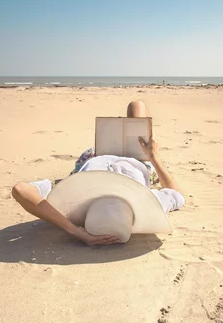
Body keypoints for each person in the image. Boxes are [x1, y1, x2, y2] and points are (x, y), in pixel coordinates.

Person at [11, 100, 184, 246]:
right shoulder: (154, 202)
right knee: (136, 105)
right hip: (138, 159)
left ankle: (127, 129)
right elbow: (174, 192)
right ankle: (135, 129)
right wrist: (154, 157)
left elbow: (21, 189)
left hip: (96, 155)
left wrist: (74, 231)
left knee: (132, 114)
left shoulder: (71, 203)